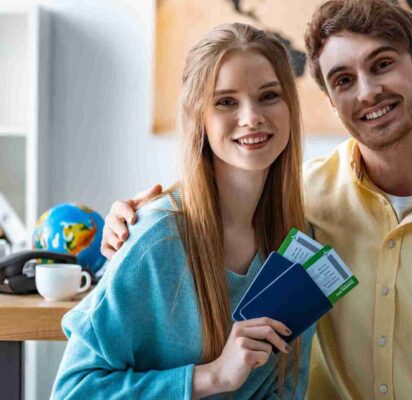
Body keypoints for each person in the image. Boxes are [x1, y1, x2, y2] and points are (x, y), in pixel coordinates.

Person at [101, 1, 412, 399]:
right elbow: (212, 191)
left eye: (382, 65)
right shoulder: (299, 198)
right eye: (343, 80)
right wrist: (131, 215)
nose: (367, 92)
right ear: (329, 99)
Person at [52, 23, 314, 400]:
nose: (252, 116)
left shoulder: (300, 243)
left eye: (269, 95)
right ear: (199, 117)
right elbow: (71, 391)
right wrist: (212, 376)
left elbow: (287, 388)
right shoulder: (156, 238)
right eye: (226, 101)